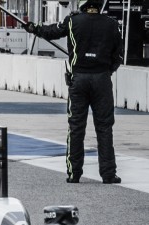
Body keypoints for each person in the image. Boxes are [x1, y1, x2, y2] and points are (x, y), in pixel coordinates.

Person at [23, 0, 123, 184]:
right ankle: (108, 174)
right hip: (102, 80)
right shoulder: (111, 24)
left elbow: (51, 32)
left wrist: (33, 28)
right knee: (105, 128)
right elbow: (118, 55)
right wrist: (107, 71)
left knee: (76, 127)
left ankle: (74, 173)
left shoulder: (72, 21)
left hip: (79, 79)